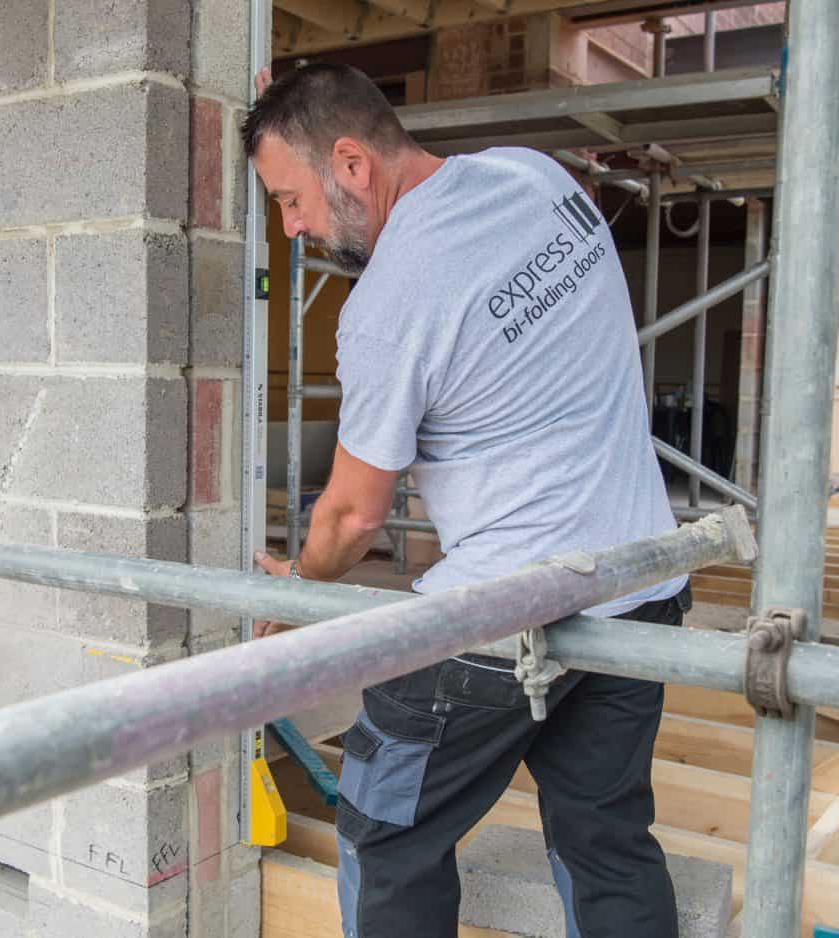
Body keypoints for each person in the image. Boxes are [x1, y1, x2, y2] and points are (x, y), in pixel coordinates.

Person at [242, 63, 691, 938]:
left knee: (386, 837)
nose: (291, 230)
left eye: (291, 200)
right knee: (606, 839)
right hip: (639, 583)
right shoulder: (535, 174)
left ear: (350, 164)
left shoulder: (388, 303)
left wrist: (297, 585)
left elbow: (354, 515)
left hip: (498, 620)